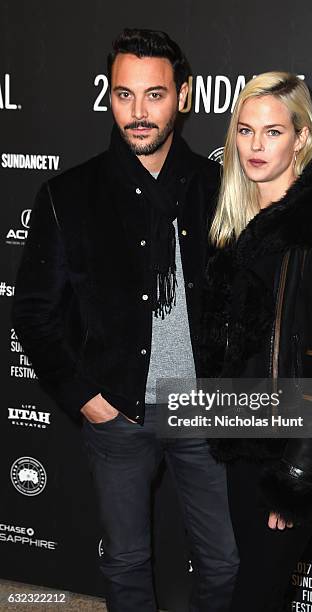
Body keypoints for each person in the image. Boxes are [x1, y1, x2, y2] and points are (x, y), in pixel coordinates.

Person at [12, 28, 238, 612]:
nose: (139, 113)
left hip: (206, 413)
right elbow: (33, 312)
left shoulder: (221, 190)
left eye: (155, 95)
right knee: (127, 563)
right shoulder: (69, 195)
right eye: (124, 95)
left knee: (224, 564)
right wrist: (83, 394)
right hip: (115, 413)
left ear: (183, 96)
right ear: (108, 97)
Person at [201, 72, 312, 611]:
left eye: (272, 132)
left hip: (288, 451)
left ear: (301, 137)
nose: (255, 146)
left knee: (255, 595)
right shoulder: (237, 214)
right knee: (259, 587)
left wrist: (296, 476)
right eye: (245, 131)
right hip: (244, 436)